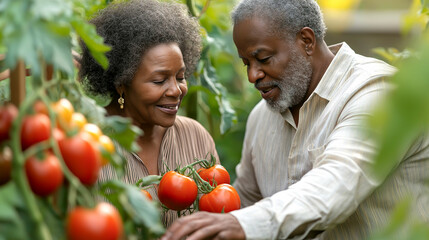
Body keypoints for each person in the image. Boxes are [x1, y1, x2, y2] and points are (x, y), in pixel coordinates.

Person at [161, 0, 429, 239]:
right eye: (246, 63)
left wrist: (242, 224)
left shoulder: (377, 93)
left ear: (306, 41)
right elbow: (245, 203)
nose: (253, 75)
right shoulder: (262, 117)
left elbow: (334, 186)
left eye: (263, 59)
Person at [79, 0, 219, 227]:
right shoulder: (87, 144)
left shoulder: (196, 137)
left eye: (180, 77)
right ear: (121, 83)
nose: (176, 90)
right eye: (159, 80)